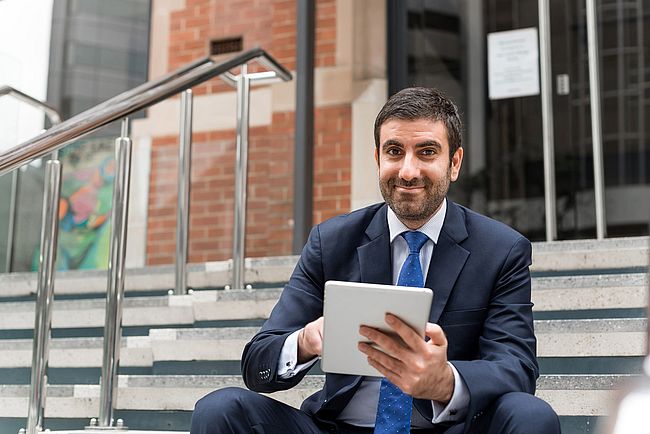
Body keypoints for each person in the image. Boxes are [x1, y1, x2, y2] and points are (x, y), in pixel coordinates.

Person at [190, 87, 560, 434]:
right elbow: (258, 362)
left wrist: (443, 380)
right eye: (394, 151)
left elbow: (517, 368)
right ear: (377, 158)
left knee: (531, 415)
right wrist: (306, 340)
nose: (408, 171)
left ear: (454, 162)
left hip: (444, 427)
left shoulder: (501, 250)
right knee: (220, 409)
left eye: (427, 152)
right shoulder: (331, 241)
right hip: (340, 427)